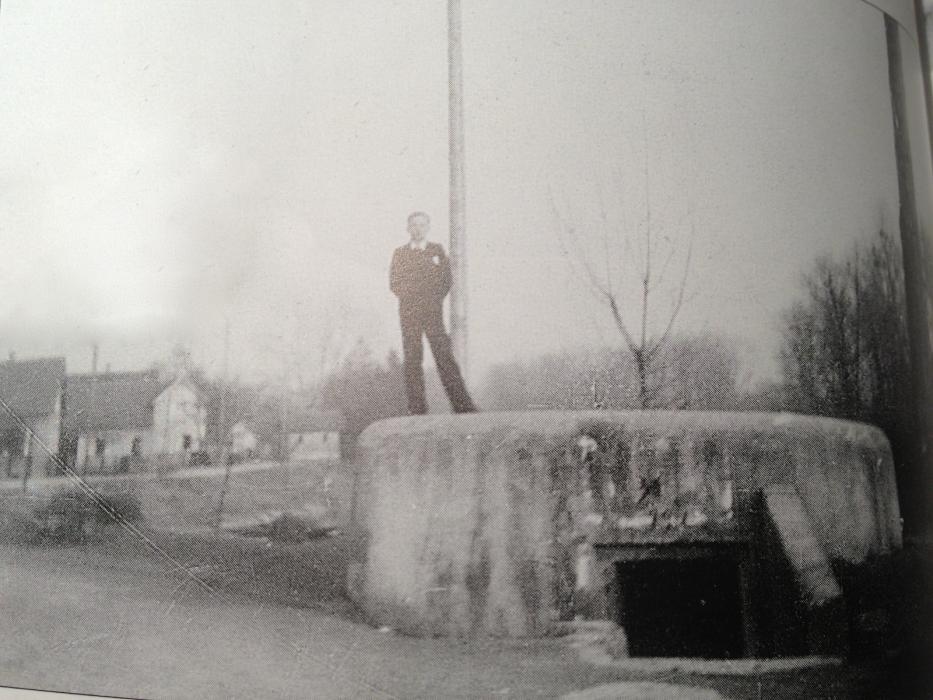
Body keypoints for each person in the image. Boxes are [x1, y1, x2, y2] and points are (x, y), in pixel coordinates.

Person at [390, 211, 477, 415]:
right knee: (412, 359)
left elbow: (446, 280)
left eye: (421, 225)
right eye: (413, 225)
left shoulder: (436, 250)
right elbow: (394, 283)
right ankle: (417, 408)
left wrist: (432, 300)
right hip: (409, 313)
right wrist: (412, 299)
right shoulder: (400, 253)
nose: (417, 229)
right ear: (408, 228)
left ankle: (462, 405)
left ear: (427, 228)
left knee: (444, 356)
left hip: (432, 313)